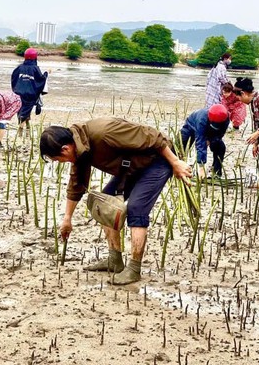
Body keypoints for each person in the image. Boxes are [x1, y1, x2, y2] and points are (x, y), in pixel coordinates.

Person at [39, 118, 191, 285]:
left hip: (158, 160)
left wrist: (176, 162)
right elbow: (76, 184)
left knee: (136, 208)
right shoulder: (80, 150)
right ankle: (115, 260)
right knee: (105, 204)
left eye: (59, 159)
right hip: (131, 167)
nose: (62, 162)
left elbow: (153, 137)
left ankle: (134, 269)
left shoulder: (104, 131)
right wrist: (67, 219)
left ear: (65, 148)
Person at [179, 104, 230, 177]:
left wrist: (211, 140)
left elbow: (221, 133)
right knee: (181, 145)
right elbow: (200, 143)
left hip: (212, 131)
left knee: (220, 147)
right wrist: (201, 167)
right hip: (191, 126)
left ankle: (216, 172)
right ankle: (178, 167)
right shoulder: (202, 120)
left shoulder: (226, 119)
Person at [11, 48, 48, 136]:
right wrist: (46, 74)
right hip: (30, 95)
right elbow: (40, 80)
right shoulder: (35, 68)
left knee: (20, 110)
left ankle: (27, 127)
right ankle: (21, 129)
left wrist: (16, 89)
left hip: (18, 93)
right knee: (25, 111)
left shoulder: (19, 68)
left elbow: (13, 79)